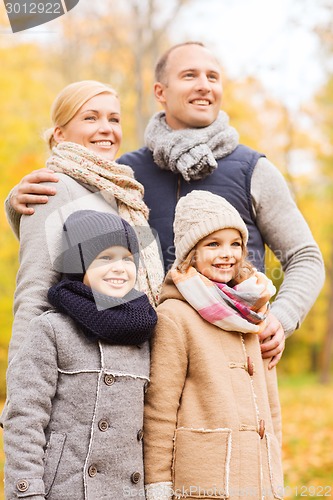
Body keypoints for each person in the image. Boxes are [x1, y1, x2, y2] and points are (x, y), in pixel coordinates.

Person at [5, 42, 325, 368]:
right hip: (147, 366)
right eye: (189, 75)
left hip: (234, 363)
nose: (204, 85)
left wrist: (282, 318)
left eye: (213, 77)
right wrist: (17, 207)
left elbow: (305, 257)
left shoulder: (253, 170)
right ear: (160, 91)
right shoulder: (123, 177)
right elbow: (69, 249)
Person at [3, 79, 164, 366]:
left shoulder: (123, 195)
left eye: (114, 119)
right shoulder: (53, 188)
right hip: (79, 372)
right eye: (90, 117)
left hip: (128, 369)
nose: (106, 128)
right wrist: (22, 391)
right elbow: (34, 294)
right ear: (60, 134)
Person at [4, 209, 158, 499]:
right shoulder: (51, 329)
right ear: (78, 265)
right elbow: (24, 417)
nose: (120, 268)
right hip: (65, 489)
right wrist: (26, 492)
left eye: (127, 258)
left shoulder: (146, 330)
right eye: (105, 258)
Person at [144, 191, 284, 500]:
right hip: (203, 481)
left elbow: (271, 405)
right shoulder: (174, 315)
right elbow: (159, 410)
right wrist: (157, 486)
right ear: (191, 253)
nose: (227, 254)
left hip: (259, 479)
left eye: (235, 244)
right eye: (213, 244)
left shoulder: (255, 312)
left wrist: (276, 475)